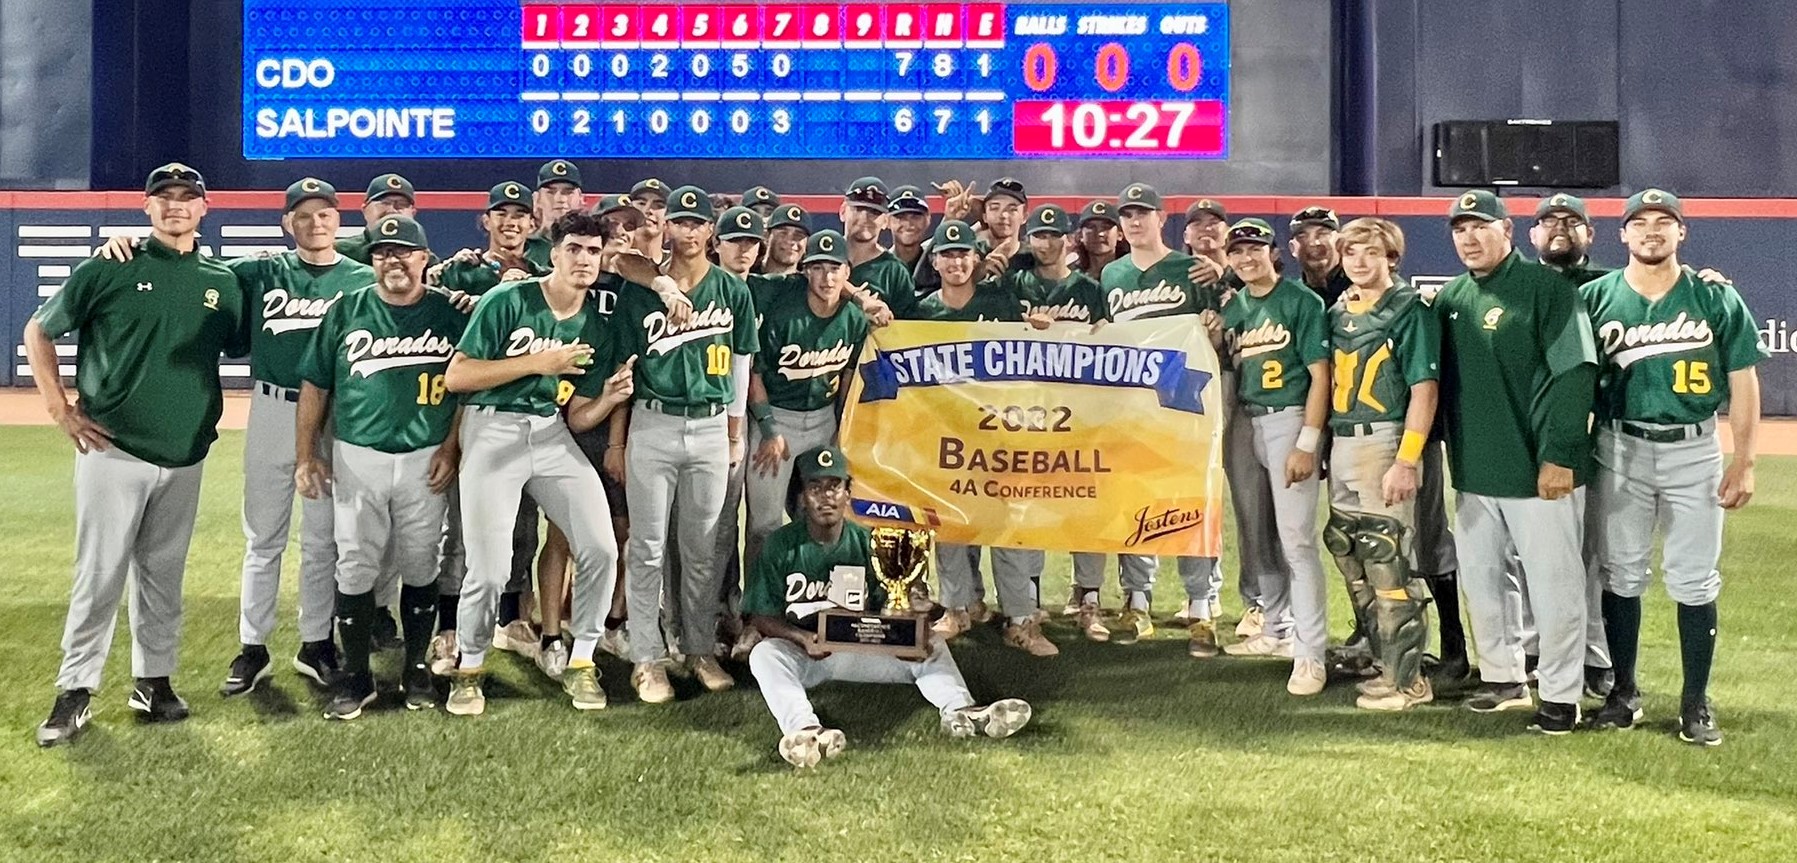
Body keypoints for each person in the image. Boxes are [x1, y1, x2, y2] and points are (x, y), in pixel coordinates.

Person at [91, 177, 375, 694]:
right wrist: (129, 242)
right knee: (263, 536)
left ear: (340, 220)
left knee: (322, 539)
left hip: (336, 416)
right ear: (288, 223)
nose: (316, 223)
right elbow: (185, 262)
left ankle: (316, 643)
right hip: (271, 408)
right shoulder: (259, 270)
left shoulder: (361, 279)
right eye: (303, 215)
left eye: (325, 213)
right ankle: (253, 645)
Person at [31, 163, 248, 747]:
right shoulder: (111, 265)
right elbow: (39, 330)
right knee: (99, 575)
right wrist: (60, 409)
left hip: (186, 453)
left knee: (162, 576)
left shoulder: (223, 281)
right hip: (114, 448)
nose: (176, 206)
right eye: (164, 198)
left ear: (204, 209)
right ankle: (74, 691)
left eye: (187, 198)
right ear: (147, 208)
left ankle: (153, 681)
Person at [1582, 189, 1765, 746]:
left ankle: (1695, 701)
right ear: (1623, 235)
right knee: (1622, 572)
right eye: (1640, 223)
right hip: (1619, 447)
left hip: (1694, 448)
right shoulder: (1596, 296)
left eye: (1664, 222)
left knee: (1693, 578)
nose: (1652, 232)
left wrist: (1745, 461)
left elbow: (1743, 379)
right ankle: (1624, 691)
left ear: (1681, 232)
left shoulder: (1714, 296)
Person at [441, 210, 638, 715]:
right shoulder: (510, 298)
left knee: (600, 547)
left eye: (594, 251)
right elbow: (458, 377)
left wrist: (610, 399)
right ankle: (469, 666)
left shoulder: (599, 318)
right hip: (492, 429)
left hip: (550, 433)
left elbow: (578, 415)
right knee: (487, 568)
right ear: (553, 252)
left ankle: (583, 659)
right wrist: (537, 363)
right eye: (574, 248)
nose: (585, 259)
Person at [745, 446, 1034, 768]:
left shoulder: (870, 542)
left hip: (862, 648)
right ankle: (806, 731)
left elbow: (890, 608)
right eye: (815, 488)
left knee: (932, 642)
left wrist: (915, 620)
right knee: (765, 654)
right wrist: (801, 639)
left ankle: (962, 712)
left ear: (848, 493)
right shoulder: (780, 545)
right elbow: (760, 615)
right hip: (805, 653)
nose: (826, 497)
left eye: (834, 487)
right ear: (802, 497)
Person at [1434, 190, 1598, 734]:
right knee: (1482, 581)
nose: (1469, 238)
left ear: (1507, 231)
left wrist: (1560, 455)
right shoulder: (1452, 296)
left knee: (1556, 588)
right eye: (1460, 229)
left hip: (1537, 473)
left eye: (1481, 226)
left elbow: (1575, 373)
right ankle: (1503, 677)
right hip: (1476, 471)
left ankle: (1560, 696)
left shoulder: (1547, 289)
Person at [293, 215, 467, 718]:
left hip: (425, 456)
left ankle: (415, 668)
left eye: (403, 251)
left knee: (420, 563)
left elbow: (466, 389)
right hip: (358, 454)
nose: (393, 260)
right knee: (356, 564)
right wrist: (307, 454)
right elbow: (315, 386)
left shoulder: (450, 313)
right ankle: (356, 673)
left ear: (423, 259)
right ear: (371, 261)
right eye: (382, 252)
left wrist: (452, 447)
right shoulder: (347, 309)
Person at [609, 186, 758, 702]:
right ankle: (647, 656)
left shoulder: (732, 289)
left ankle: (698, 648)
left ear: (709, 232)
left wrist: (735, 433)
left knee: (702, 550)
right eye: (680, 222)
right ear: (666, 228)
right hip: (654, 422)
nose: (689, 231)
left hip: (712, 426)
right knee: (647, 549)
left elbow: (742, 364)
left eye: (698, 223)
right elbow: (624, 369)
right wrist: (617, 440)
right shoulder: (643, 287)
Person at [903, 219, 1057, 657]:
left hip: (998, 433)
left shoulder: (1002, 300)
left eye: (963, 253)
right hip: (946, 434)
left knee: (1006, 526)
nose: (955, 261)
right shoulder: (920, 311)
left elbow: (1030, 350)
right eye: (947, 254)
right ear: (934, 261)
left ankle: (1021, 618)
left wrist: (1041, 329)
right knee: (948, 523)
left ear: (977, 259)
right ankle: (956, 607)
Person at [1323, 218, 1441, 710]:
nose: (1359, 262)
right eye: (1351, 252)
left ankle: (1410, 679)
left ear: (1392, 257)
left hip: (1382, 440)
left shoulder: (1408, 310)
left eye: (1371, 252)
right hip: (1343, 439)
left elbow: (1424, 389)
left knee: (1386, 556)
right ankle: (1383, 661)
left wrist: (1406, 459)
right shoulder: (1339, 312)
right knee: (1349, 550)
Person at [1099, 183, 1224, 645]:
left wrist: (1215, 328)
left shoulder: (1191, 269)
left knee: (1193, 499)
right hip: (1131, 406)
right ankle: (1137, 601)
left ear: (1161, 218)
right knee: (1134, 499)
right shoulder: (1112, 275)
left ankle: (1202, 604)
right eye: (1127, 215)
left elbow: (1216, 335)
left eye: (1143, 214)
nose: (1135, 222)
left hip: (1186, 403)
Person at [1214, 219, 1333, 697]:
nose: (1246, 259)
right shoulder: (1235, 308)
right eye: (1237, 252)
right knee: (1256, 527)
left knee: (1297, 541)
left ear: (1273, 252)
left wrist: (1308, 441)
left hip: (1288, 419)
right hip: (1247, 420)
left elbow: (1320, 376)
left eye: (1254, 249)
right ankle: (1277, 630)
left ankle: (1311, 654)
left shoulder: (1301, 300)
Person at [1182, 196, 1282, 638]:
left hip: (1239, 395)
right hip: (1183, 398)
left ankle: (1259, 602)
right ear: (1183, 234)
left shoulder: (1244, 285)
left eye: (1215, 224)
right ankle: (1199, 595)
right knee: (1190, 499)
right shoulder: (1172, 274)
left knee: (1251, 505)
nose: (1206, 231)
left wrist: (1225, 275)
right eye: (1197, 225)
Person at [745, 230, 870, 571]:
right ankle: (757, 609)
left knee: (821, 519)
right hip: (776, 418)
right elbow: (755, 374)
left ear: (847, 272)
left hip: (822, 421)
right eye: (817, 268)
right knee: (764, 525)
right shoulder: (783, 310)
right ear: (804, 271)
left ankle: (813, 599)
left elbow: (847, 378)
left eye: (835, 268)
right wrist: (769, 429)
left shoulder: (854, 318)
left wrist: (840, 431)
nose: (827, 278)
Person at [337, 174, 431, 265]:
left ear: (413, 213)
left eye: (401, 204)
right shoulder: (340, 253)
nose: (392, 210)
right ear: (365, 210)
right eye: (384, 203)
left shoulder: (422, 258)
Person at [525, 159, 585, 269]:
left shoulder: (594, 245)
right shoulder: (524, 247)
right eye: (551, 192)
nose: (560, 199)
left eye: (568, 192)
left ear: (581, 198)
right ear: (536, 199)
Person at [1288, 206, 1352, 307]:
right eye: (1302, 236)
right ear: (1292, 248)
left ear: (1340, 243)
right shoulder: (1291, 300)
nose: (1313, 243)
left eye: (1323, 234)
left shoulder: (1364, 291)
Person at [1073, 201, 1127, 283]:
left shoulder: (1130, 275)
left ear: (1120, 234)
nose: (1099, 233)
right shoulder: (1072, 279)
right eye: (1091, 227)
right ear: (1080, 235)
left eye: (1106, 227)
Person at [887, 185, 933, 270]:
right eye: (900, 217)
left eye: (915, 217)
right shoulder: (878, 268)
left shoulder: (938, 266)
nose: (908, 224)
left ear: (928, 219)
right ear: (887, 221)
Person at [761, 203, 810, 276]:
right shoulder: (745, 279)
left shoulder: (810, 285)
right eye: (783, 233)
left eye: (799, 235)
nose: (790, 241)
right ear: (767, 236)